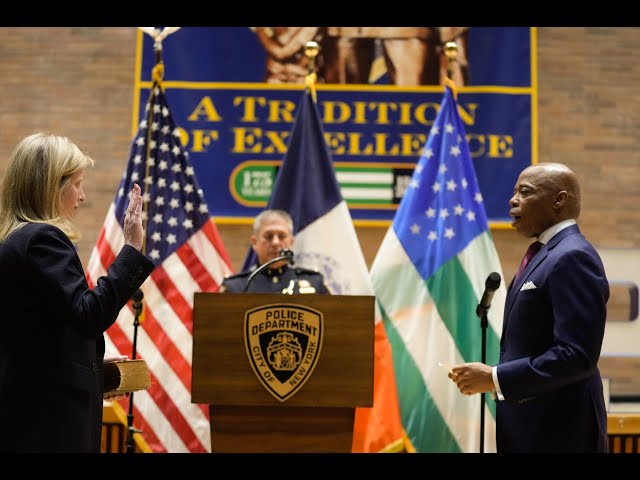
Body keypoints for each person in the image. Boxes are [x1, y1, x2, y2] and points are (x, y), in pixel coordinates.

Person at [0, 133, 155, 453]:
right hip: (47, 423)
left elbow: (40, 329)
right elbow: (88, 315)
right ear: (52, 186)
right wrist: (131, 250)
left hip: (24, 412)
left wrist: (87, 357)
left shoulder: (14, 241)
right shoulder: (43, 239)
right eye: (77, 183)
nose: (82, 196)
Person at [448, 162, 610, 453]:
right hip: (532, 427)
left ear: (559, 200)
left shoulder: (572, 256)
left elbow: (577, 355)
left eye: (524, 192)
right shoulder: (545, 253)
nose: (512, 200)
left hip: (560, 433)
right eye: (514, 192)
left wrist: (495, 377)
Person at [220, 209, 329, 294]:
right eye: (268, 236)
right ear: (254, 242)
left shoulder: (315, 283)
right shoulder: (237, 287)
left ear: (291, 242)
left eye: (281, 236)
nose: (275, 242)